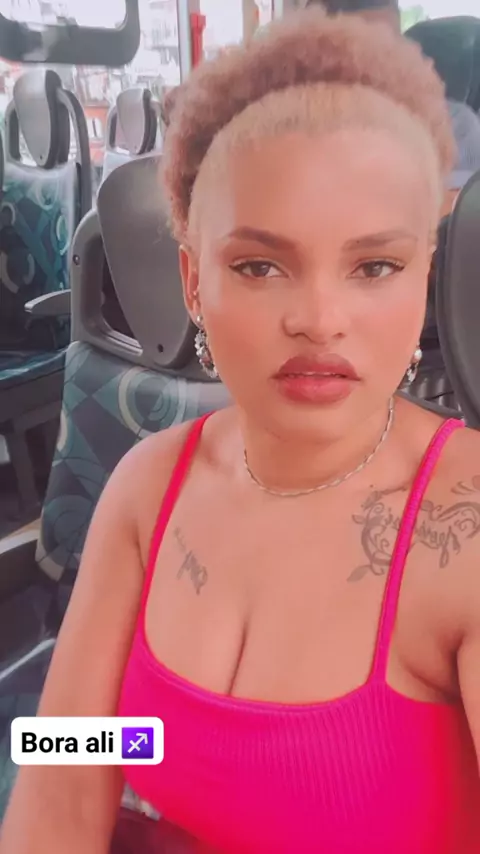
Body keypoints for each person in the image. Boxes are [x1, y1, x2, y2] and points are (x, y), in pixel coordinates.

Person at [2, 7, 480, 854]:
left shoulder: (463, 530)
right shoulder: (146, 485)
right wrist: (108, 760)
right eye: (259, 265)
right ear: (193, 281)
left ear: (425, 278)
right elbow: (70, 760)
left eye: (375, 265)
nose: (319, 319)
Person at [311, 0, 480, 205]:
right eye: (359, 52)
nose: (382, 63)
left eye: (391, 47)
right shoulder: (300, 129)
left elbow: (460, 208)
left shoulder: (456, 127)